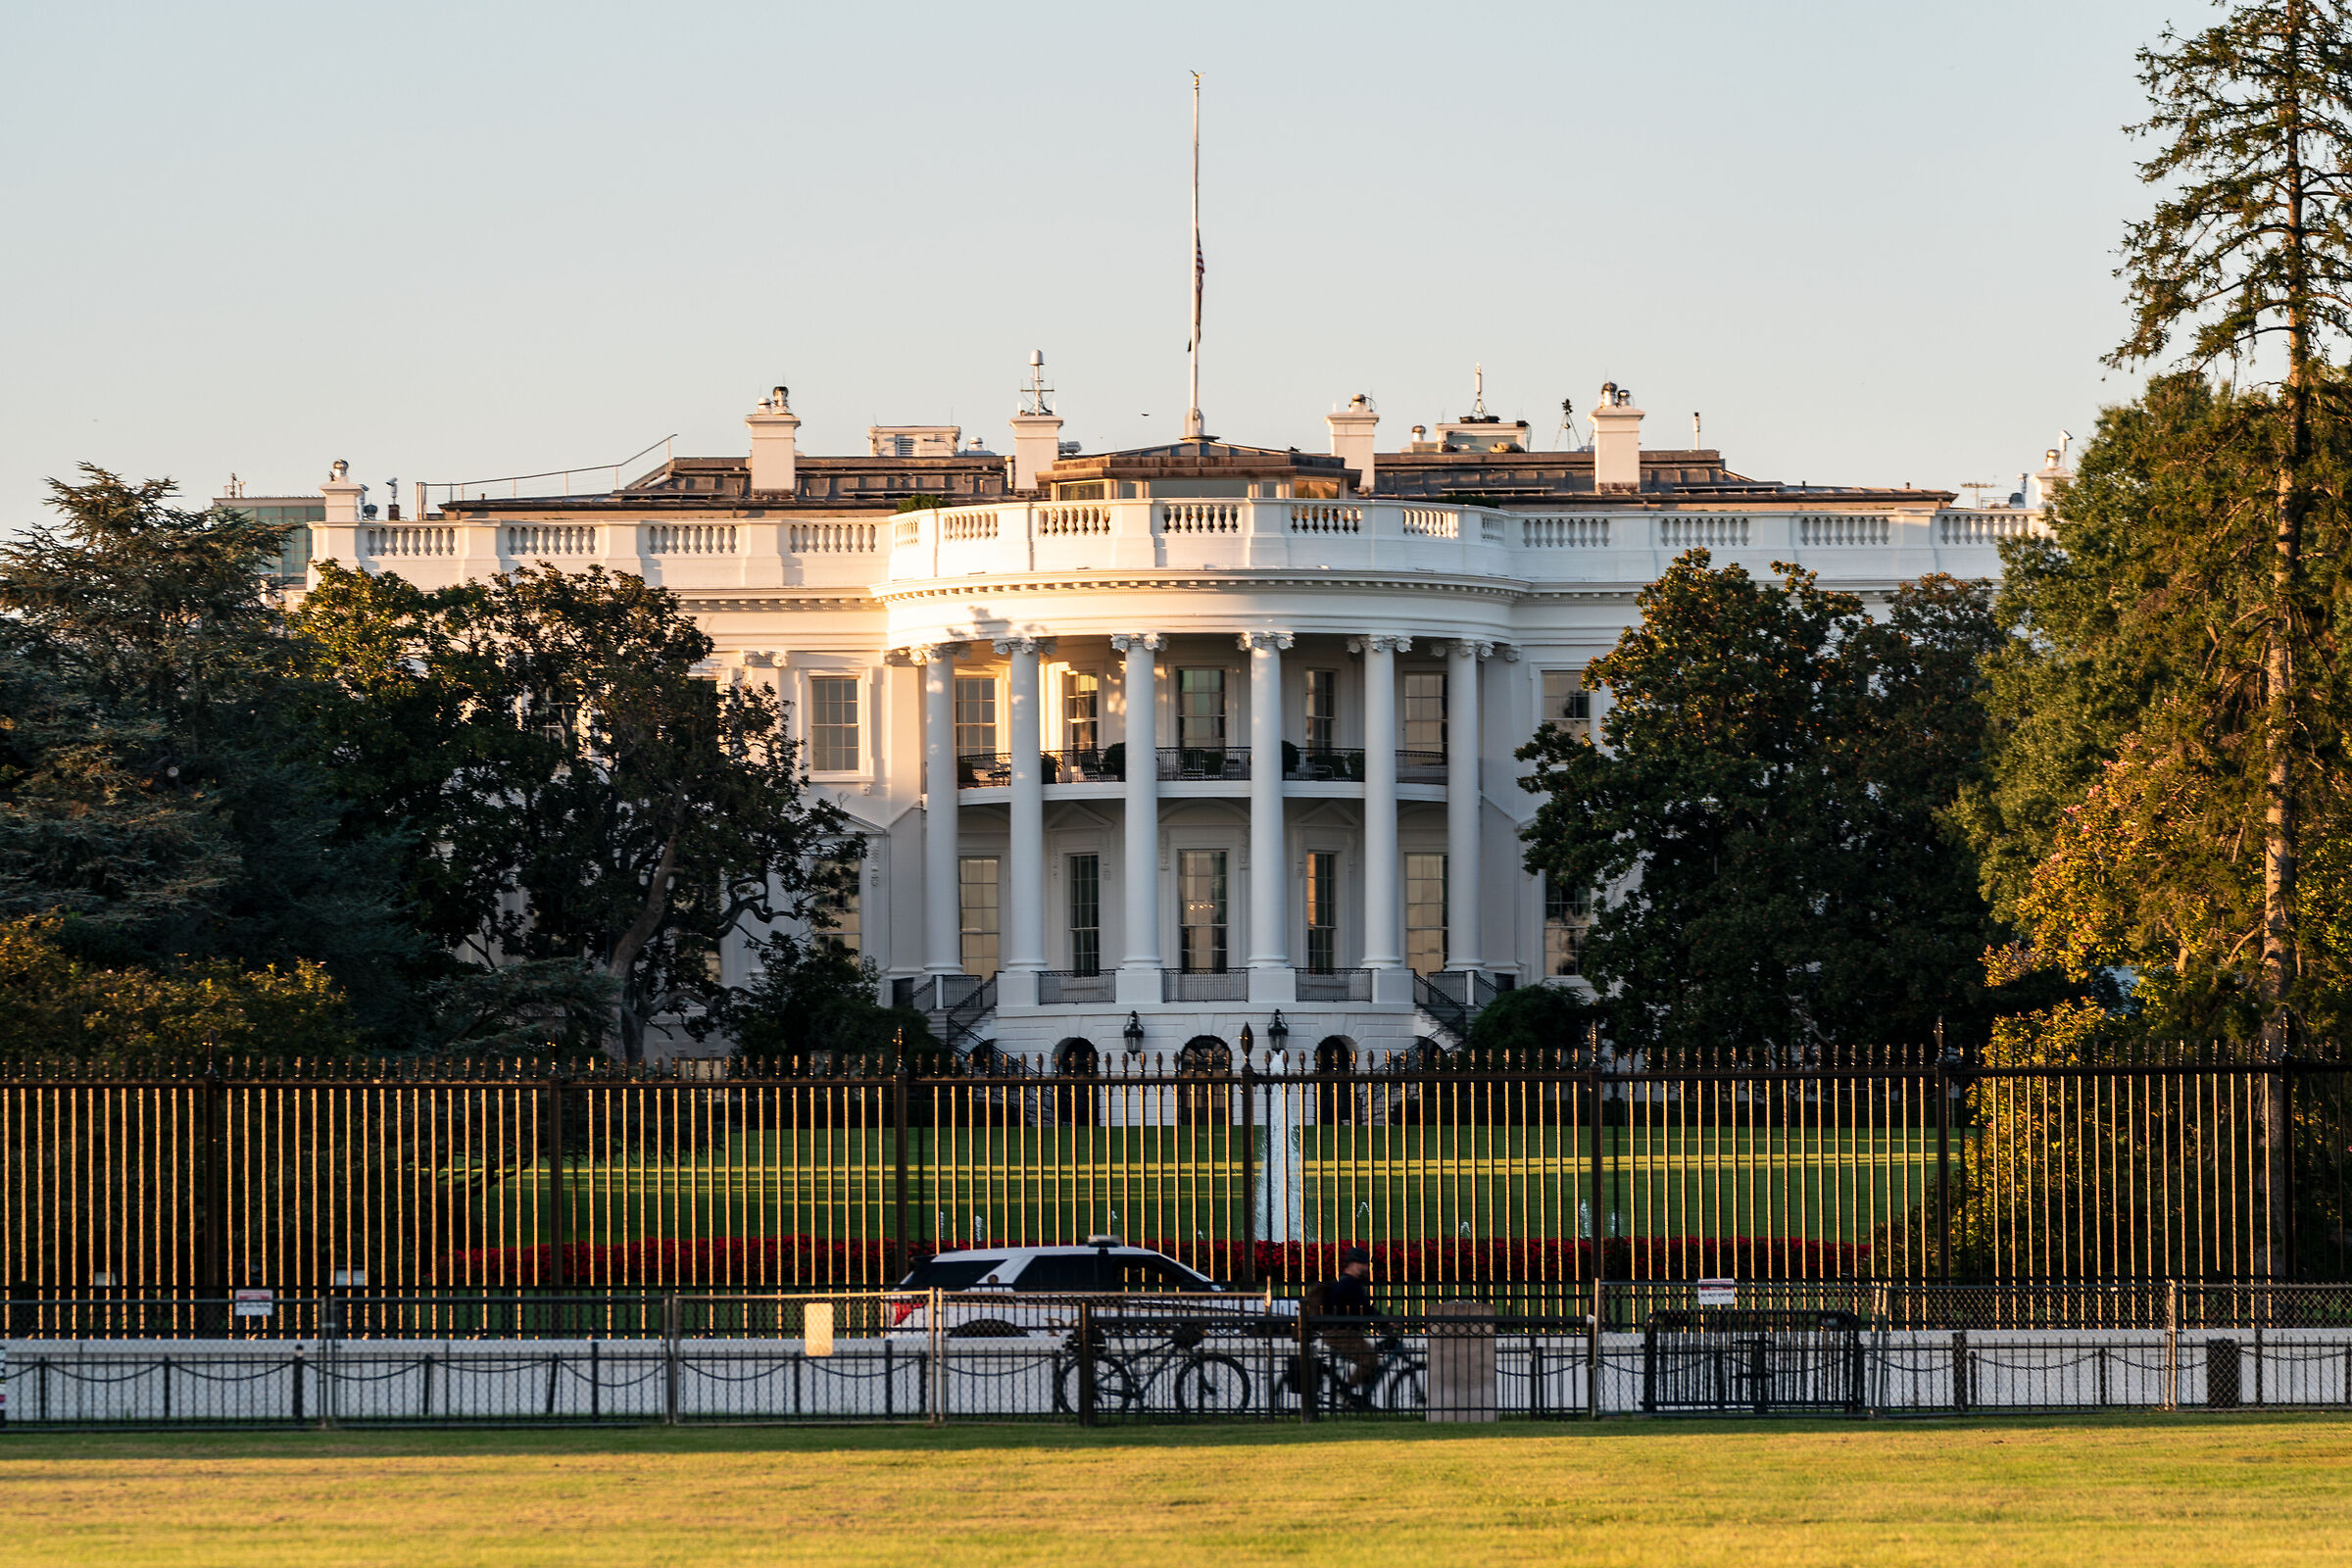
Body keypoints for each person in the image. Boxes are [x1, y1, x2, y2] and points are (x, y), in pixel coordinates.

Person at [1318, 1247, 1381, 1400]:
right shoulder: (1349, 1284)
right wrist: (1387, 1322)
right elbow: (1365, 1309)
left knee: (1370, 1357)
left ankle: (1357, 1395)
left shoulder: (1346, 1282)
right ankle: (1347, 1392)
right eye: (1364, 1264)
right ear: (1353, 1264)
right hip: (1340, 1333)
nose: (1367, 1268)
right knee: (1369, 1359)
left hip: (1340, 1332)